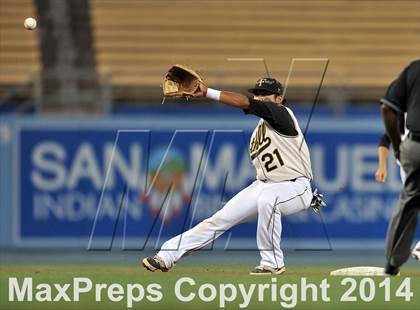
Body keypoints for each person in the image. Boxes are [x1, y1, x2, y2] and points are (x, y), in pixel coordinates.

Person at [142, 77, 323, 275]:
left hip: (296, 186)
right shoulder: (257, 134)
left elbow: (245, 103)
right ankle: (166, 256)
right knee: (219, 219)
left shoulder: (283, 114)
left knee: (268, 200)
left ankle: (272, 263)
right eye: (258, 93)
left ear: (279, 99)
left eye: (265, 94)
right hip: (265, 185)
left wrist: (208, 92)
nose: (260, 97)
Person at [380, 59, 420, 275]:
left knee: (409, 202)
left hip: (414, 146)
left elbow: (388, 109)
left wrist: (398, 146)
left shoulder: (413, 70)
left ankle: (392, 263)